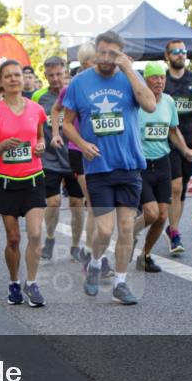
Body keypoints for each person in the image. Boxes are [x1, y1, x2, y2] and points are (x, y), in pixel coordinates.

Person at [62, 31, 156, 305]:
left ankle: (120, 282)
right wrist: (82, 143)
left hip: (129, 165)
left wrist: (129, 70)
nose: (106, 58)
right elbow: (67, 123)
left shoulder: (130, 78)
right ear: (96, 53)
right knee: (104, 229)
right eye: (102, 52)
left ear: (121, 54)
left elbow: (150, 105)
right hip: (99, 167)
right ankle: (95, 262)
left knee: (126, 228)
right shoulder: (80, 83)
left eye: (112, 53)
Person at [0, 60, 48, 306]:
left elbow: (40, 136)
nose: (13, 79)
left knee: (34, 234)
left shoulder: (36, 109)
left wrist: (40, 146)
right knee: (13, 239)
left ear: (24, 78)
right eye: (8, 76)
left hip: (33, 180)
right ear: (1, 81)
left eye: (17, 75)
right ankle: (13, 281)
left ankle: (31, 283)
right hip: (7, 184)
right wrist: (2, 146)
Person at [134, 62, 192, 272]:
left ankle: (145, 255)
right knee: (150, 213)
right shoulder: (137, 103)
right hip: (141, 164)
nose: (159, 81)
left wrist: (185, 150)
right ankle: (129, 232)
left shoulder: (168, 101)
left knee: (162, 215)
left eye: (162, 77)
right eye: (154, 78)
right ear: (145, 81)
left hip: (163, 162)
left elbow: (173, 130)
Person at [34, 56, 85, 262]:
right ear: (45, 76)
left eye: (59, 74)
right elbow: (34, 127)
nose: (55, 79)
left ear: (65, 73)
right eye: (51, 75)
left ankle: (74, 245)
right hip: (50, 158)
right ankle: (50, 237)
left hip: (74, 155)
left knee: (76, 203)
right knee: (53, 202)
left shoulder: (76, 93)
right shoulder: (40, 98)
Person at [163, 39, 192, 253]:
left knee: (180, 191)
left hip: (191, 140)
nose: (181, 54)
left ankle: (173, 228)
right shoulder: (162, 81)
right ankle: (174, 232)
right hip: (168, 140)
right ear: (167, 56)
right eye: (176, 52)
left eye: (183, 51)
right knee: (175, 186)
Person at [50, 43, 97, 263]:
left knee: (91, 203)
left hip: (98, 149)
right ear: (87, 63)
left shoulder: (102, 85)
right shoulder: (73, 87)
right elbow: (56, 109)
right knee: (93, 201)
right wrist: (56, 133)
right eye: (96, 61)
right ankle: (87, 250)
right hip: (78, 150)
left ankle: (83, 247)